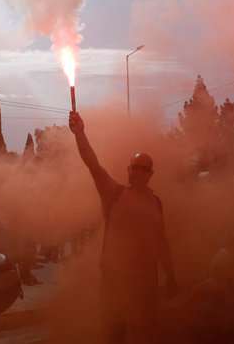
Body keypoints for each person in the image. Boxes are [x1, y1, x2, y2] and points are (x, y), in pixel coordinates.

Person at [68, 111, 176, 344]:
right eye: (134, 167)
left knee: (146, 331)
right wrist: (80, 134)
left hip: (146, 280)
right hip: (115, 279)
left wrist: (170, 274)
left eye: (143, 168)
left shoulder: (156, 202)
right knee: (115, 332)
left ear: (151, 174)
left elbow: (161, 241)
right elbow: (92, 163)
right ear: (128, 169)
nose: (138, 172)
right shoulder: (114, 193)